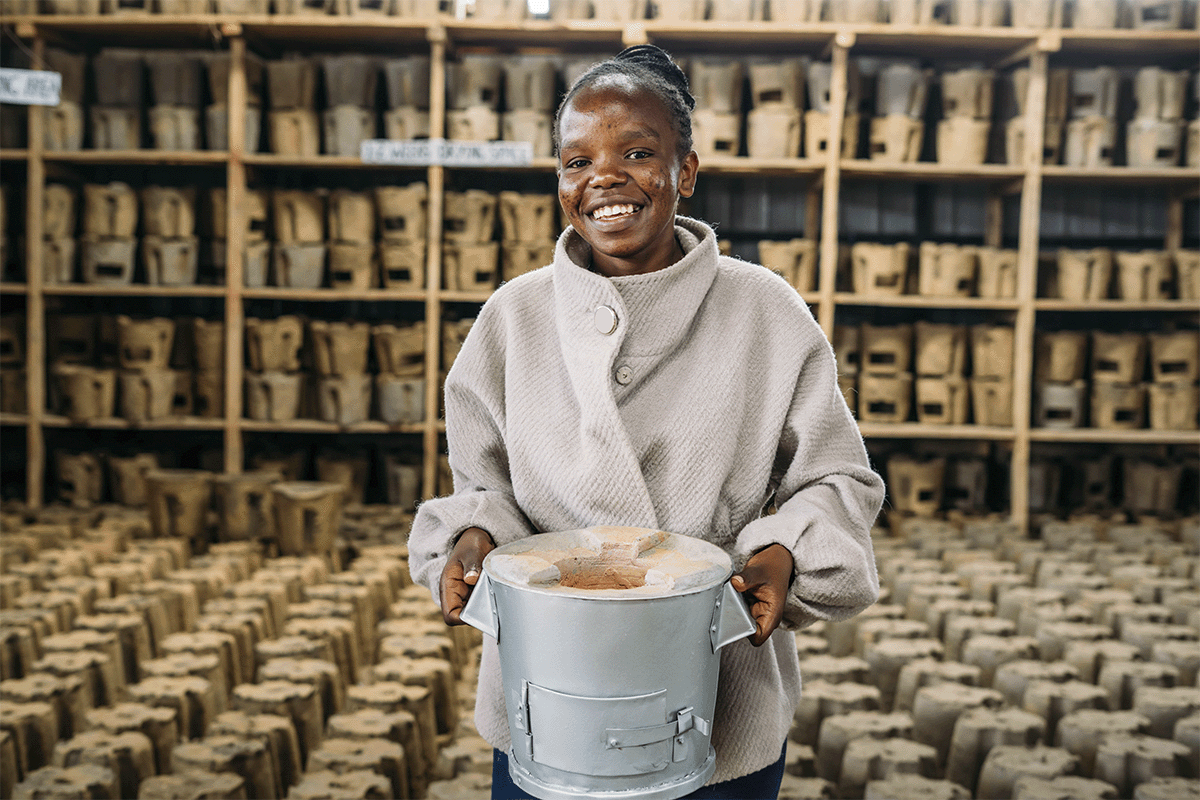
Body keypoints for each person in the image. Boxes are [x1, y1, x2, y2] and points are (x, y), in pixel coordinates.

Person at [407, 44, 885, 799]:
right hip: (547, 697)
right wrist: (477, 538)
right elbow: (481, 484)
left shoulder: (764, 311)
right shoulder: (513, 318)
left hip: (717, 703)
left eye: (638, 152)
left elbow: (836, 477)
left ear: (684, 172)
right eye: (576, 161)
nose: (604, 177)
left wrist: (782, 552)